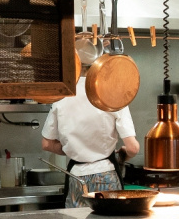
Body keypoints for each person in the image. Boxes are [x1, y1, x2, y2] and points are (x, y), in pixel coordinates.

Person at [42, 71, 140, 208]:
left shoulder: (62, 93)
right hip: (106, 174)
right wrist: (123, 154)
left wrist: (73, 149)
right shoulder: (113, 93)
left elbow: (47, 144)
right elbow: (132, 148)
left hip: (76, 176)